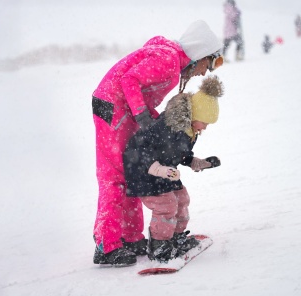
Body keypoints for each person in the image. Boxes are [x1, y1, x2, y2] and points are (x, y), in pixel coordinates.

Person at [91, 20, 224, 267]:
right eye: (210, 62)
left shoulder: (170, 57)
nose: (206, 72)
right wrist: (142, 113)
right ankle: (106, 245)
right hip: (114, 107)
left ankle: (130, 238)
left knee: (132, 172)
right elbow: (129, 80)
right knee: (116, 176)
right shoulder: (169, 61)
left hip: (121, 108)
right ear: (199, 54)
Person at [123, 75, 224, 263]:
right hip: (143, 171)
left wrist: (197, 162)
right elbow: (140, 148)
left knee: (181, 198)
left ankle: (176, 237)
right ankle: (159, 246)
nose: (205, 127)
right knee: (166, 205)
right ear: (196, 116)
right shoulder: (167, 127)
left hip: (166, 171)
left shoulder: (188, 130)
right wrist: (157, 169)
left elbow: (177, 153)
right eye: (205, 122)